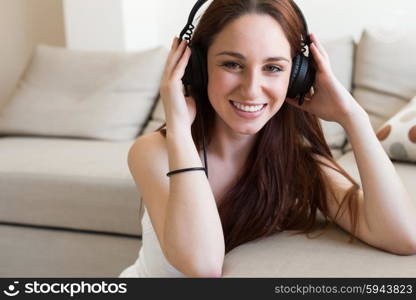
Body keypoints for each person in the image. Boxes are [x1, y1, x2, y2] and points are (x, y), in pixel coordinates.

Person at [119, 0, 416, 278]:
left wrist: (353, 116)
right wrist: (180, 128)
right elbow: (202, 265)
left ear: (298, 76)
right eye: (232, 64)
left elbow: (403, 236)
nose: (251, 89)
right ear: (196, 68)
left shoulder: (295, 162)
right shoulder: (154, 152)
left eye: (273, 68)